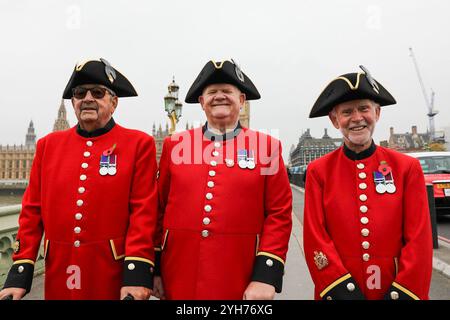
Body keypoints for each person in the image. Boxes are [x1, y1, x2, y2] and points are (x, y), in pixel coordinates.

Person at [0, 59, 158, 300]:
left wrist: (136, 275)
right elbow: (32, 211)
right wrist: (21, 270)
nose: (87, 98)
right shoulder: (48, 146)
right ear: (73, 102)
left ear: (113, 102)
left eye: (97, 92)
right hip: (59, 272)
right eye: (79, 93)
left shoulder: (138, 144)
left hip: (111, 275)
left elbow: (144, 213)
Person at [152, 59, 292, 300]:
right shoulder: (175, 145)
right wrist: (153, 268)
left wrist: (266, 276)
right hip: (178, 273)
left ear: (241, 100)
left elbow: (279, 214)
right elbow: (158, 208)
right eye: (212, 92)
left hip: (241, 276)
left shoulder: (267, 146)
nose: (219, 97)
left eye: (227, 91)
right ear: (201, 102)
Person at [303, 65, 433, 300]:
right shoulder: (318, 171)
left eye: (364, 108)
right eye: (346, 112)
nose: (356, 118)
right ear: (335, 120)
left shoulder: (406, 168)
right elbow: (315, 237)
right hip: (339, 292)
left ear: (377, 113)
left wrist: (401, 293)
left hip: (395, 290)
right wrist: (342, 291)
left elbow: (419, 240)